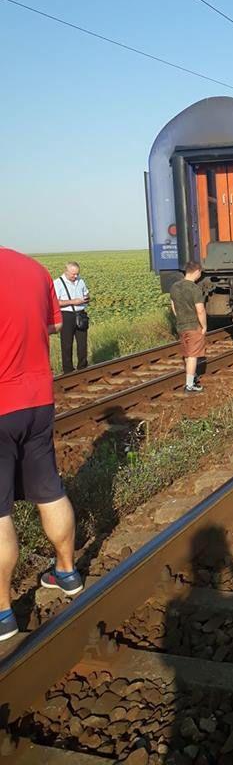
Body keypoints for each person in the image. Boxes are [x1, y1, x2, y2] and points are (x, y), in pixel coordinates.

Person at [0, 248, 83, 641]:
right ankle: (66, 571)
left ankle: (2, 613)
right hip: (37, 400)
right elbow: (53, 326)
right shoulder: (33, 269)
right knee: (49, 488)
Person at [169, 261, 207, 393]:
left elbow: (173, 306)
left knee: (187, 354)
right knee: (192, 355)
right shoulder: (194, 288)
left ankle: (192, 378)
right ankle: (189, 385)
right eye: (200, 273)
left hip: (181, 325)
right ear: (197, 271)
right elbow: (200, 310)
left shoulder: (175, 287)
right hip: (193, 325)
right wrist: (204, 326)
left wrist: (179, 318)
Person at [53, 261, 90, 373]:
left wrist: (87, 298)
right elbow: (55, 302)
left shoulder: (81, 281)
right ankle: (68, 370)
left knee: (82, 344)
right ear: (66, 271)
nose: (75, 276)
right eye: (73, 274)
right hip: (66, 315)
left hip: (81, 314)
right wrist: (74, 301)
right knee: (67, 344)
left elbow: (86, 293)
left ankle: (82, 368)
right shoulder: (57, 283)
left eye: (77, 274)